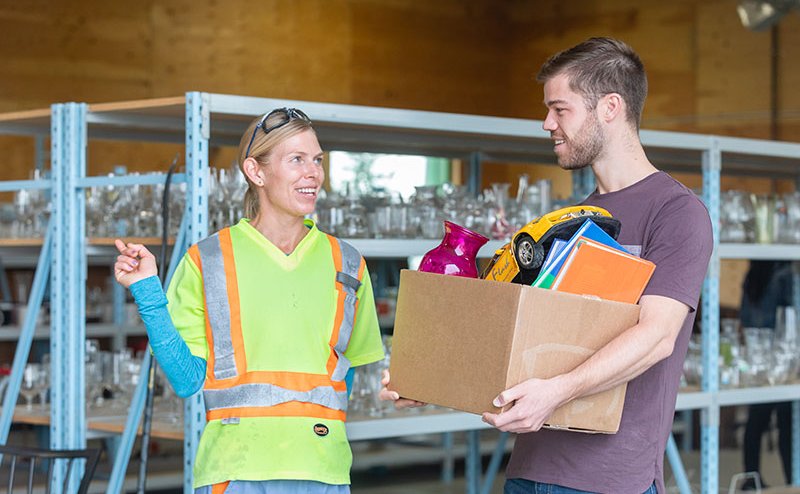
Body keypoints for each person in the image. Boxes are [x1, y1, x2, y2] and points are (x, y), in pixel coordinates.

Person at [381, 37, 713, 494]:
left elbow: (657, 338)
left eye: (561, 110)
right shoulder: (569, 222)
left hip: (610, 479)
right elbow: (521, 341)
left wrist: (557, 392)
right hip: (531, 469)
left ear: (610, 107)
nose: (547, 124)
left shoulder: (676, 212)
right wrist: (430, 377)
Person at [114, 107, 385, 494]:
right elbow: (186, 379)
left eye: (318, 160)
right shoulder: (208, 260)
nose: (313, 173)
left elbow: (348, 373)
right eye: (296, 160)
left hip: (325, 472)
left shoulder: (349, 264)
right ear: (255, 172)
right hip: (235, 472)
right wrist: (146, 290)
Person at [740, 260, 794, 489]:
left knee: (756, 422)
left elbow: (744, 317)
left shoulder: (754, 275)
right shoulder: (785, 274)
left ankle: (752, 478)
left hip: (758, 356)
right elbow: (792, 315)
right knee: (787, 423)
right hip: (783, 357)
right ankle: (793, 479)